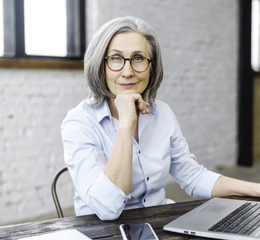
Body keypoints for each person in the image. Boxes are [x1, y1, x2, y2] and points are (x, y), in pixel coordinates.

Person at [61, 16, 260, 220]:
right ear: (100, 65)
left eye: (138, 58)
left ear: (152, 67)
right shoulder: (79, 123)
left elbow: (193, 176)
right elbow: (107, 208)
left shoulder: (162, 113)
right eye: (116, 58)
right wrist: (126, 125)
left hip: (158, 224)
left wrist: (256, 189)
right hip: (103, 231)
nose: (128, 72)